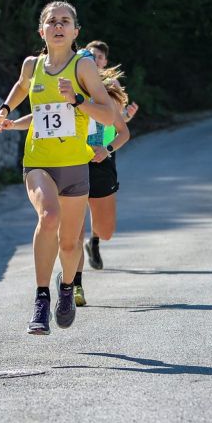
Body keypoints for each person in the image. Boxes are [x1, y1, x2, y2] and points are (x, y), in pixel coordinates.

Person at [0, 1, 114, 335]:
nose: (58, 26)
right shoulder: (33, 65)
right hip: (39, 162)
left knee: (70, 245)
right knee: (49, 217)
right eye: (52, 21)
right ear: (42, 31)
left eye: (65, 21)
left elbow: (108, 115)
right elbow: (22, 88)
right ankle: (41, 300)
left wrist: (78, 100)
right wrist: (4, 114)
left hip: (74, 166)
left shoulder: (83, 68)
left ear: (75, 31)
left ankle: (67, 288)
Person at [74, 60, 131, 307]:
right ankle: (74, 285)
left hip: (101, 165)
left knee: (105, 231)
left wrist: (106, 149)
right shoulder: (66, 94)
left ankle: (94, 239)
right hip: (71, 164)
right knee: (72, 232)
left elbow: (124, 133)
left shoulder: (106, 97)